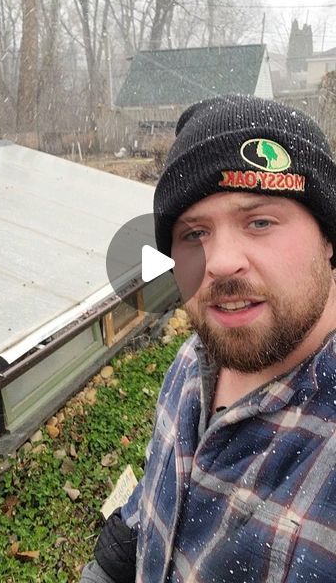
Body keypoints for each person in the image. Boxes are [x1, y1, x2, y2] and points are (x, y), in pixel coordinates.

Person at [80, 94, 336, 583]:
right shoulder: (193, 361)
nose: (219, 262)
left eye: (259, 221)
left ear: (328, 237)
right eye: (194, 234)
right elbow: (156, 494)